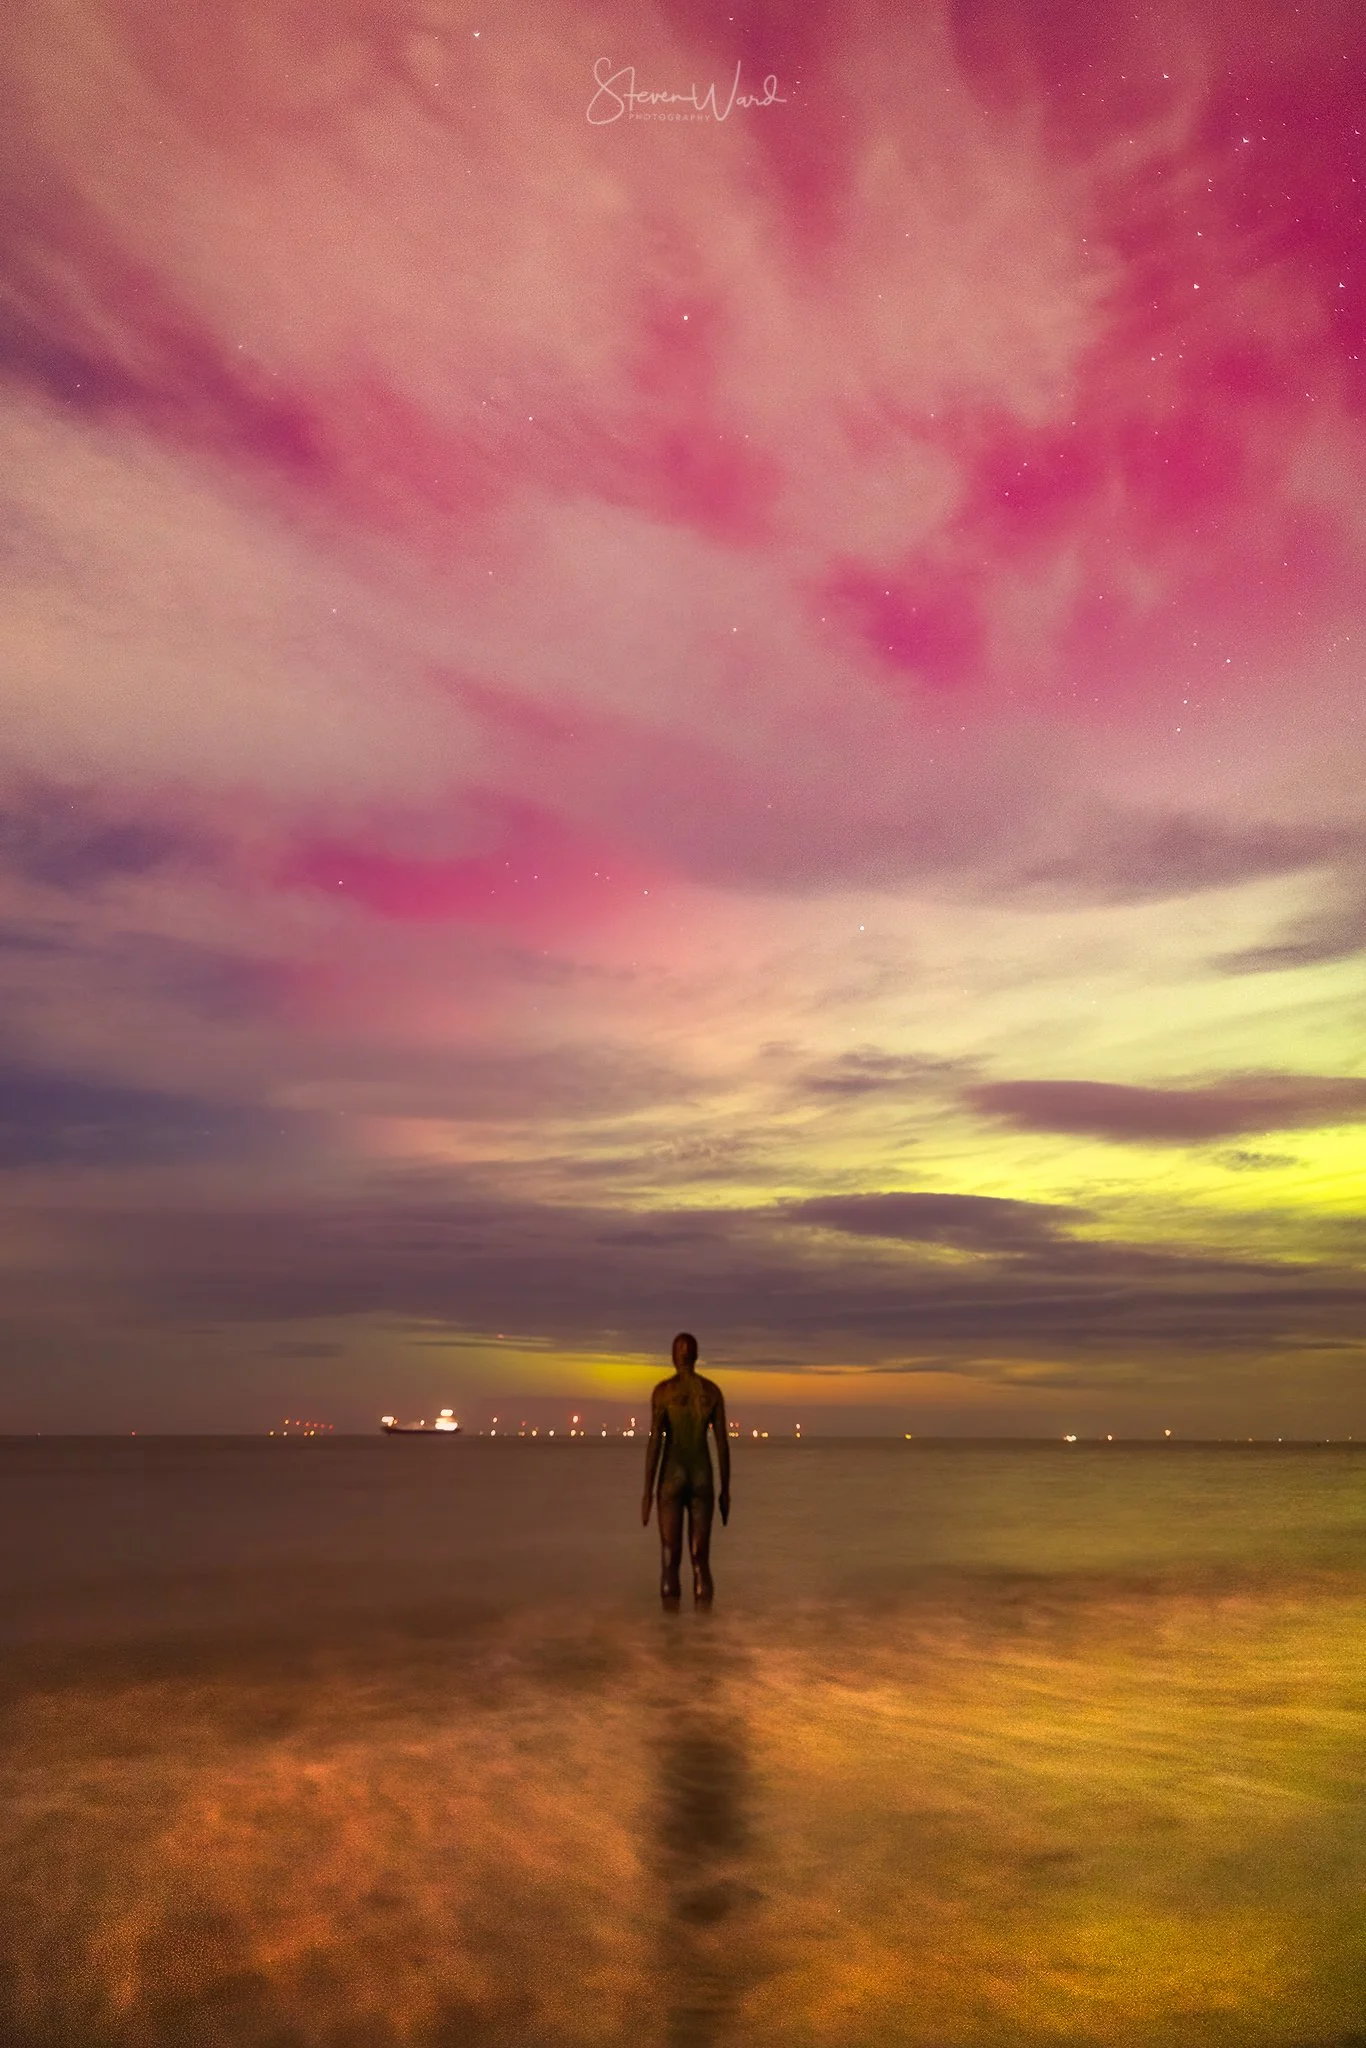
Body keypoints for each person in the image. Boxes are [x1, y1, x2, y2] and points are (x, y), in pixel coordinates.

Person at [641, 1331, 730, 1607]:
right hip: (702, 1476)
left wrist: (647, 1492)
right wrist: (725, 1490)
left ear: (673, 1357)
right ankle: (704, 1625)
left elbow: (655, 1443)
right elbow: (722, 1444)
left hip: (671, 1477)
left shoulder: (663, 1392)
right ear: (696, 1356)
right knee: (700, 1559)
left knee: (670, 1556)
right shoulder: (712, 1392)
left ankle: (671, 1628)